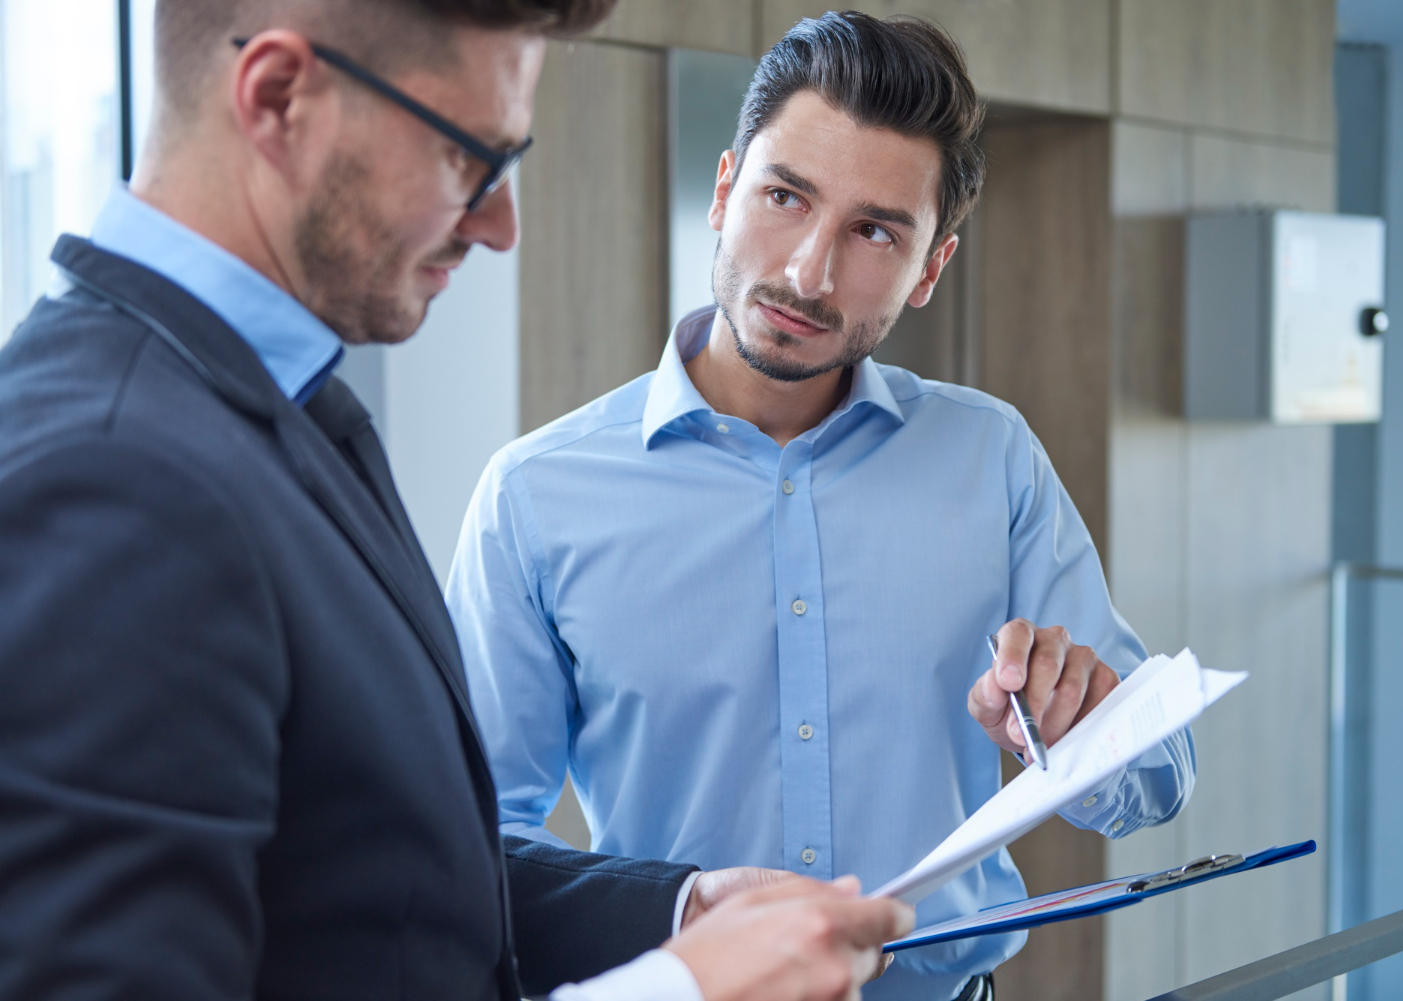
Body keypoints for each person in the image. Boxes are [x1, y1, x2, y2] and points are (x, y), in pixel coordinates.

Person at [0, 1, 913, 999]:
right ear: (277, 98)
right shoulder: (116, 478)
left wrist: (677, 911)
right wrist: (677, 992)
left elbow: (387, 875)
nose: (499, 224)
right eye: (465, 159)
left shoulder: (275, 409)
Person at [447, 11, 1197, 1001]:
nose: (808, 271)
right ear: (725, 191)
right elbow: (470, 841)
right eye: (785, 196)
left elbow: (1158, 778)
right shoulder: (536, 494)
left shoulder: (993, 456)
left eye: (874, 230)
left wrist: (1079, 729)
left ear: (932, 267)